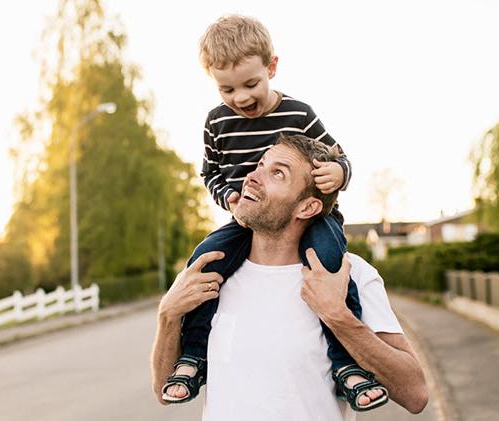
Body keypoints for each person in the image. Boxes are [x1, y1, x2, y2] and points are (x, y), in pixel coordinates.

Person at [164, 14, 376, 410]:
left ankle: (348, 365)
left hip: (312, 217)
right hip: (246, 217)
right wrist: (227, 195)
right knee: (204, 261)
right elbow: (210, 171)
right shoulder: (216, 122)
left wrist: (338, 173)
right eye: (226, 88)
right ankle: (193, 354)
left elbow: (339, 155)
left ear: (271, 67)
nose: (241, 97)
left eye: (250, 84)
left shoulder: (299, 114)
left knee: (330, 263)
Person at [151, 136, 429, 420]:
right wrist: (168, 316)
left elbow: (415, 394)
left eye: (278, 173)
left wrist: (338, 316)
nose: (252, 177)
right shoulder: (211, 272)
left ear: (307, 207)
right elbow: (163, 389)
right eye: (260, 165)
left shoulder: (349, 274)